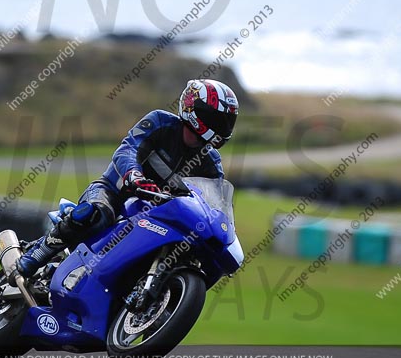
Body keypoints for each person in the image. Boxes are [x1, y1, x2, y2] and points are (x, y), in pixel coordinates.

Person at [13, 79, 239, 279]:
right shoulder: (160, 122)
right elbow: (127, 149)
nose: (221, 127)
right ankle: (39, 251)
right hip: (114, 192)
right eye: (216, 119)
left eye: (226, 121)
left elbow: (213, 202)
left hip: (158, 215)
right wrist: (135, 176)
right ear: (194, 109)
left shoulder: (211, 162)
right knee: (96, 213)